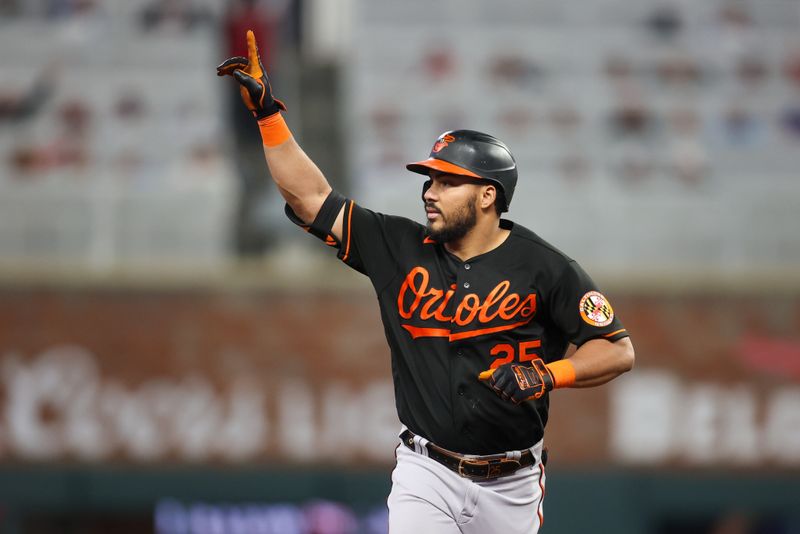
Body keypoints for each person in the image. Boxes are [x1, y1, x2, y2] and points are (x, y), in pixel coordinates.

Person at [218, 30, 635, 534]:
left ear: (487, 195)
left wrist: (548, 374)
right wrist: (268, 118)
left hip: (513, 481)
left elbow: (616, 349)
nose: (430, 192)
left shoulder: (543, 266)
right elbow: (312, 200)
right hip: (426, 470)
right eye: (430, 180)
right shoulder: (398, 246)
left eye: (447, 181)